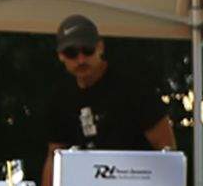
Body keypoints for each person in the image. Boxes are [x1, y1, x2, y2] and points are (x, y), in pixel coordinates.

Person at [44, 13, 175, 162]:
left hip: (135, 179)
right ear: (60, 55)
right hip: (84, 182)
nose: (80, 60)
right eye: (71, 53)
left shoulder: (134, 88)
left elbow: (167, 149)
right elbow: (54, 157)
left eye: (87, 50)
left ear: (100, 47)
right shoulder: (61, 98)